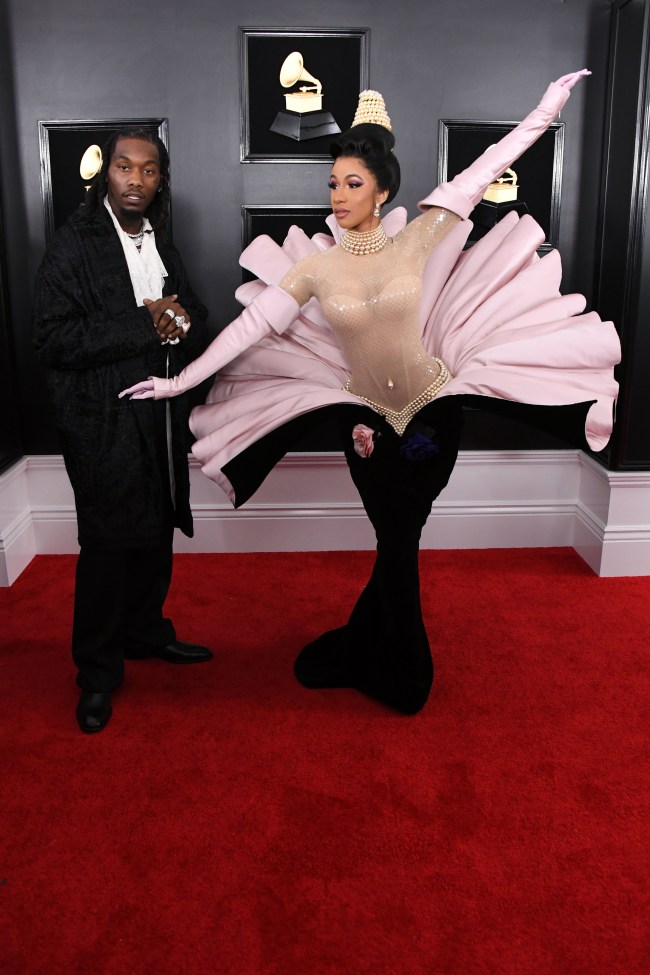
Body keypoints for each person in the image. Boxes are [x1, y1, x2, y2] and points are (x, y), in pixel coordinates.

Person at [121, 71, 620, 716]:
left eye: (353, 183)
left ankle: (375, 649)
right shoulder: (317, 268)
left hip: (435, 412)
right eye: (333, 183)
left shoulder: (419, 236)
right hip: (364, 422)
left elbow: (488, 165)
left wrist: (546, 111)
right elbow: (249, 328)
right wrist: (181, 381)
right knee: (396, 538)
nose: (339, 194)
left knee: (399, 538)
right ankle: (402, 668)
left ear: (382, 191)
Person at [33, 128, 213, 734]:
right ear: (106, 175)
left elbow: (191, 306)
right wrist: (147, 323)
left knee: (156, 529)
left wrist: (182, 316)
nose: (136, 179)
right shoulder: (73, 245)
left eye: (149, 170)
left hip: (159, 412)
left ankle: (144, 633)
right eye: (124, 168)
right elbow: (53, 339)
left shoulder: (159, 238)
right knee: (109, 546)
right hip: (100, 417)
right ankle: (97, 674)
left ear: (160, 180)